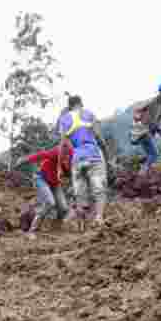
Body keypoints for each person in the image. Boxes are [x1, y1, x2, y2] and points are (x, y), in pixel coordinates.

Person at [57, 95, 109, 231]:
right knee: (99, 190)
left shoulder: (64, 119)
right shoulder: (89, 114)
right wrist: (106, 152)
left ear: (69, 106)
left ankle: (81, 226)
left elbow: (63, 144)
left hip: (77, 159)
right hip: (93, 156)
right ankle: (98, 218)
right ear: (80, 104)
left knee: (80, 195)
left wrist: (60, 168)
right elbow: (98, 136)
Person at [16, 140, 73, 238]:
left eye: (67, 154)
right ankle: (32, 230)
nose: (66, 156)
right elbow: (41, 155)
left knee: (63, 208)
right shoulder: (55, 152)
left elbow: (69, 171)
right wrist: (24, 160)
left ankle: (56, 227)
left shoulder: (71, 154)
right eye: (64, 153)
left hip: (55, 183)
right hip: (41, 179)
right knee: (50, 202)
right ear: (61, 150)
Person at [130, 84, 161, 173]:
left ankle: (139, 164)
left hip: (148, 132)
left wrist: (160, 131)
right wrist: (139, 120)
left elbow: (156, 123)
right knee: (154, 154)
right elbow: (137, 110)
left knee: (150, 155)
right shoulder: (151, 102)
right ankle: (142, 173)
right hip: (142, 131)